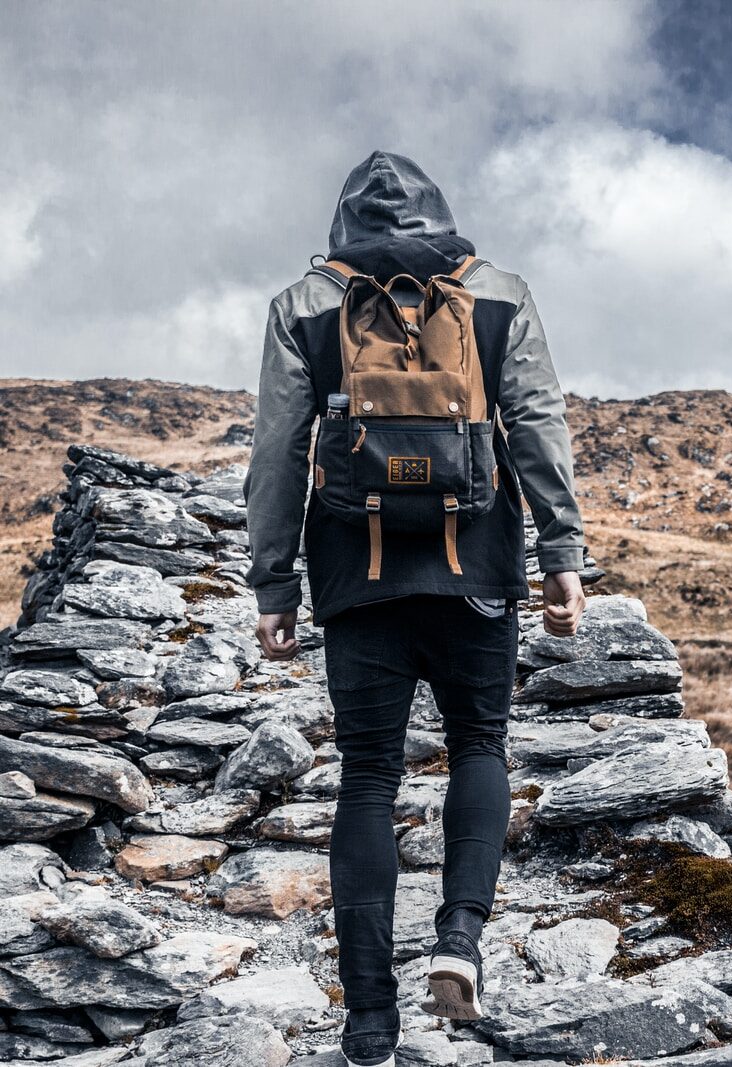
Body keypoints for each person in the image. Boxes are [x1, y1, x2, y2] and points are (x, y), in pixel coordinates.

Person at [244, 150, 586, 1067]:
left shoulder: (305, 305)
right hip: (474, 563)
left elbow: (277, 451)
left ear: (342, 224)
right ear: (440, 212)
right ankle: (459, 940)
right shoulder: (497, 292)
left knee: (366, 779)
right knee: (480, 744)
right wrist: (562, 554)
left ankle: (367, 1024)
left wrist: (274, 583)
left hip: (357, 574)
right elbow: (539, 421)